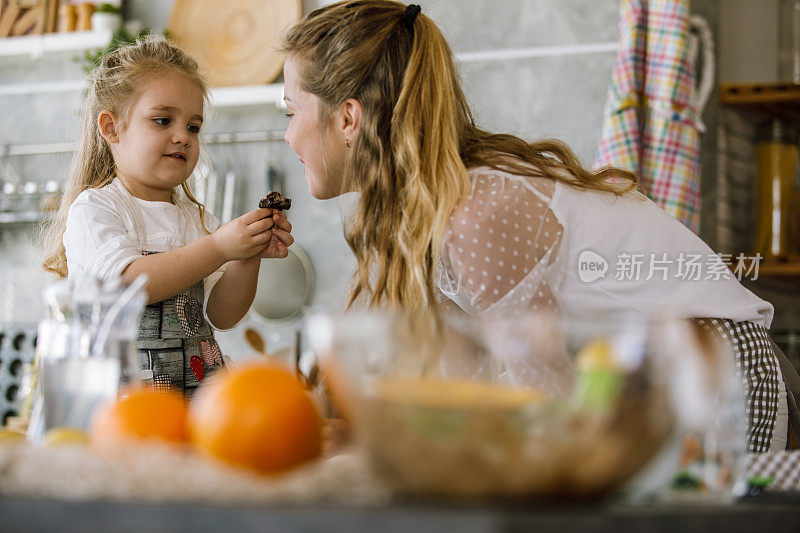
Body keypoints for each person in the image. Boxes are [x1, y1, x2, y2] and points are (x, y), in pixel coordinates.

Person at [279, 1, 794, 451]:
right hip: (653, 383)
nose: (288, 135)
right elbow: (469, 398)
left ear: (348, 118)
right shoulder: (431, 210)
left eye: (291, 110)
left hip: (713, 376)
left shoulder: (477, 211)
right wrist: (377, 444)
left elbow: (545, 397)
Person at [41, 36, 294, 397]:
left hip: (196, 398)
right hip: (122, 406)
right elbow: (127, 284)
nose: (183, 137)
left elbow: (222, 315)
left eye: (193, 127)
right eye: (162, 121)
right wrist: (220, 248)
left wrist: (245, 256)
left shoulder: (195, 219)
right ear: (111, 128)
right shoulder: (96, 210)